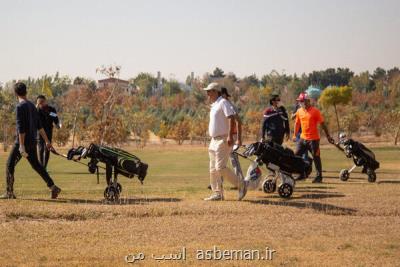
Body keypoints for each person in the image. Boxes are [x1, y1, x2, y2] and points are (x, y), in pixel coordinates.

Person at [0, 82, 61, 199]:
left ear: (15, 93)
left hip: (22, 142)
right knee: (37, 166)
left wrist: (21, 145)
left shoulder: (19, 107)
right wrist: (47, 141)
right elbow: (40, 127)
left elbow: (21, 128)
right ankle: (53, 187)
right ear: (26, 92)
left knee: (9, 165)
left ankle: (9, 192)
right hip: (33, 142)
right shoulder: (32, 106)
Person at [203, 83, 247, 201]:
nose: (207, 93)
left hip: (223, 139)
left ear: (216, 91)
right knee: (212, 168)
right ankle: (217, 193)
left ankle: (241, 184)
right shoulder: (214, 105)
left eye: (209, 91)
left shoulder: (223, 102)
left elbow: (232, 117)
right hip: (214, 140)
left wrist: (229, 136)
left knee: (220, 167)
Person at [293, 92, 334, 183]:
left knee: (316, 157)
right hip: (302, 139)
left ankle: (319, 177)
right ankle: (302, 174)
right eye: (299, 101)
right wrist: (295, 135)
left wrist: (328, 136)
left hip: (314, 140)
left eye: (302, 101)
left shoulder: (315, 111)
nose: (300, 103)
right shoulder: (299, 111)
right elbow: (297, 123)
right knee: (295, 157)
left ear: (307, 101)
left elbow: (323, 124)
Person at [36, 95, 61, 169]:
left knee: (47, 149)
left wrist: (57, 125)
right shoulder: (36, 110)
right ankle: (41, 167)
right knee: (40, 149)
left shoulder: (51, 110)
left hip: (49, 131)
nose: (41, 104)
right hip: (40, 132)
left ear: (45, 101)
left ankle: (44, 167)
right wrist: (36, 107)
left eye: (42, 102)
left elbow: (55, 119)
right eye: (39, 102)